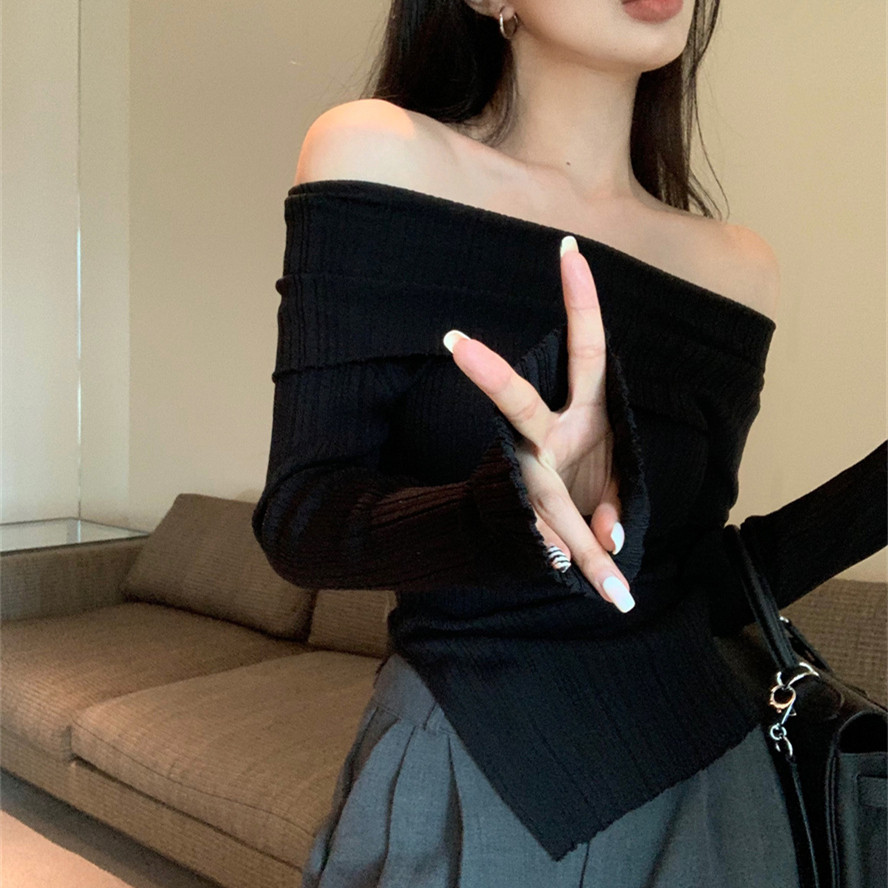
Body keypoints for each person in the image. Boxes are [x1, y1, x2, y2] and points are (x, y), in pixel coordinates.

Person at [251, 1, 887, 885]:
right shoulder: (378, 155)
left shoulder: (736, 268)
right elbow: (302, 515)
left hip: (718, 790)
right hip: (481, 772)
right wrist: (508, 506)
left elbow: (696, 583)